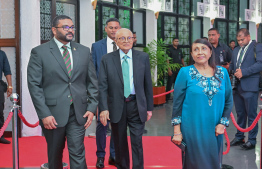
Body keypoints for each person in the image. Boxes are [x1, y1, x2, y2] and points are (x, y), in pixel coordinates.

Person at [27, 15, 98, 169]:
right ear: (54, 30)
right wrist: (44, 114)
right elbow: (34, 85)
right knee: (55, 154)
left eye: (72, 27)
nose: (70, 30)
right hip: (52, 114)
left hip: (78, 112)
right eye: (65, 27)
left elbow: (92, 82)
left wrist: (92, 108)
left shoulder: (83, 51)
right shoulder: (40, 52)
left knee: (78, 152)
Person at [171, 39, 233, 169]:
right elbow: (177, 104)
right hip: (192, 129)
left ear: (210, 52)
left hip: (215, 129)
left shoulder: (222, 73)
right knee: (195, 164)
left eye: (203, 48)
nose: (200, 52)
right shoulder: (185, 72)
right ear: (192, 55)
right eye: (196, 49)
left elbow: (228, 100)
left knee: (213, 163)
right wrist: (177, 131)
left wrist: (223, 123)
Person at [99, 28, 153, 169]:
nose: (126, 41)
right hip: (117, 106)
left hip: (136, 105)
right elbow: (102, 86)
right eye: (122, 38)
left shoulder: (143, 57)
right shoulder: (107, 59)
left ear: (133, 40)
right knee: (119, 142)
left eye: (129, 38)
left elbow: (148, 84)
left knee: (137, 142)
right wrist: (104, 108)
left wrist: (149, 108)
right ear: (116, 41)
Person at [91, 17, 121, 168]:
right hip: (102, 93)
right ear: (105, 29)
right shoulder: (96, 47)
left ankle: (114, 155)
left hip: (120, 95)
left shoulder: (124, 44)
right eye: (111, 27)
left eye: (116, 27)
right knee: (101, 125)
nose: (114, 30)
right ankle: (100, 156)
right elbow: (93, 70)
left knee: (117, 125)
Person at [228, 28, 262, 150]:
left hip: (250, 86)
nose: (240, 42)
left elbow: (260, 64)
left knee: (252, 114)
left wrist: (244, 72)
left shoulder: (257, 47)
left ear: (248, 36)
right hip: (237, 87)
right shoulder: (236, 50)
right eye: (238, 40)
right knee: (240, 114)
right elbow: (232, 64)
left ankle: (252, 140)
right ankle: (239, 137)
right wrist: (230, 71)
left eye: (242, 39)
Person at [0, 50, 12, 144]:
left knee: (0, 111)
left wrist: (10, 86)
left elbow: (7, 70)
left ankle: (0, 135)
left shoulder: (2, 54)